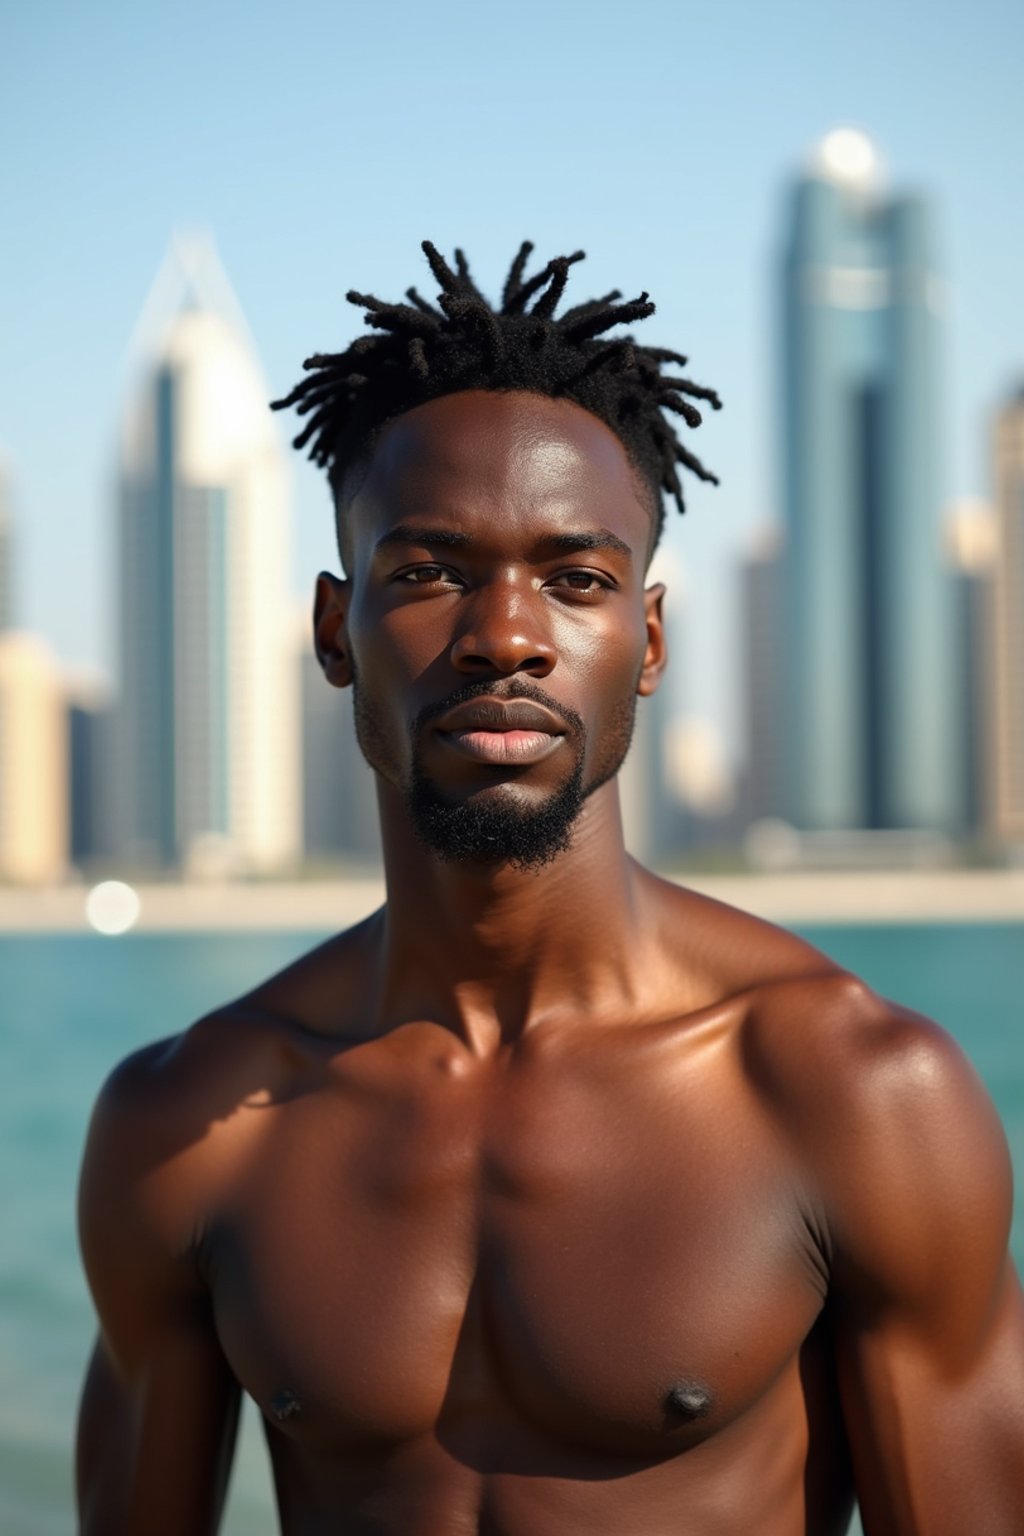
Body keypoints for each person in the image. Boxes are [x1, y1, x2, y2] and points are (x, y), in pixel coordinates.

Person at [77, 241, 1024, 1536]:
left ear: (647, 641)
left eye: (575, 580)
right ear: (330, 632)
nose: (505, 635)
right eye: (428, 573)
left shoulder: (852, 1092)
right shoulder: (188, 1122)